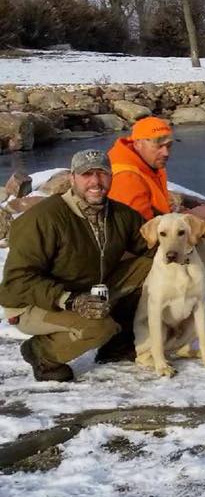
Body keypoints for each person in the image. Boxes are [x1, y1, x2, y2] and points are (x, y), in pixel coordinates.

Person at [1, 150, 152, 382]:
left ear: (111, 177)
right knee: (98, 327)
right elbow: (17, 282)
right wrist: (69, 300)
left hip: (89, 289)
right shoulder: (43, 219)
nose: (95, 182)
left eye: (102, 173)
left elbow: (152, 246)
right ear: (72, 178)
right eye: (86, 174)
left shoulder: (121, 215)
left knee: (152, 266)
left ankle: (117, 345)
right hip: (32, 302)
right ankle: (41, 353)